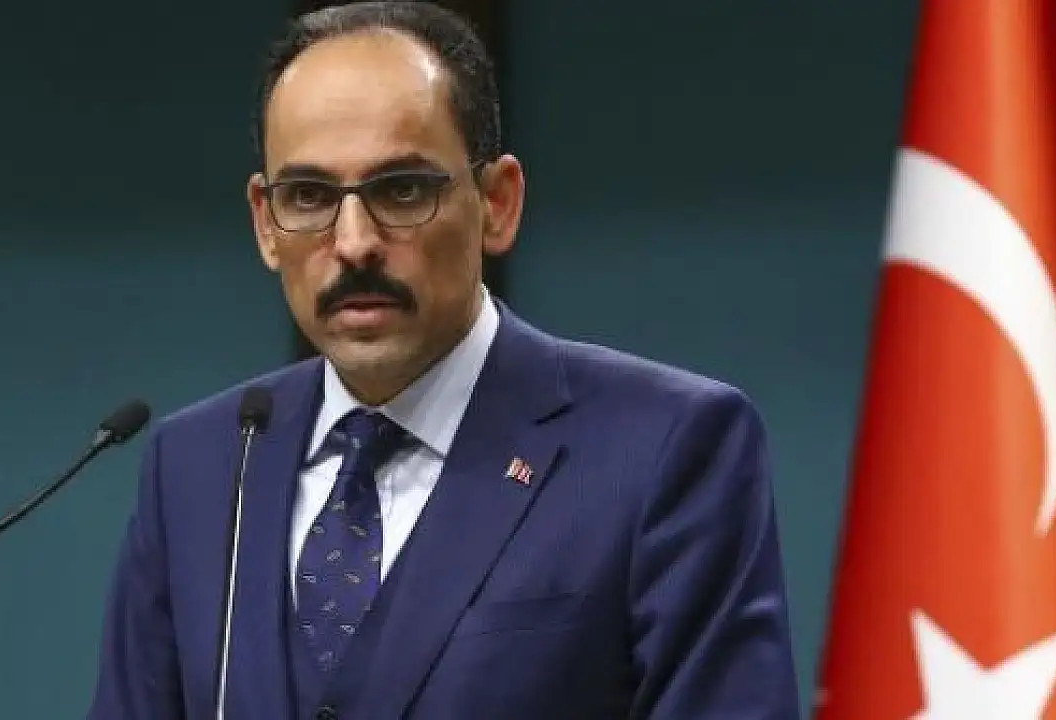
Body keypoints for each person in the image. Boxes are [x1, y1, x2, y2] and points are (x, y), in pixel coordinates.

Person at [87, 2, 800, 718]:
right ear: (265, 224)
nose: (354, 243)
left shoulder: (664, 447)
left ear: (497, 202)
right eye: (308, 196)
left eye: (402, 190)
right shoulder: (200, 465)